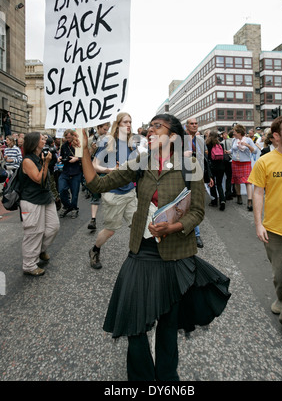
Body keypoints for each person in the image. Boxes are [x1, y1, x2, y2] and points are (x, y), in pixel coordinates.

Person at [75, 113, 231, 381]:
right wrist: (83, 149)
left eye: (157, 127)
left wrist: (173, 227)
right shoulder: (140, 161)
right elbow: (97, 183)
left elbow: (196, 211)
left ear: (172, 136)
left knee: (168, 326)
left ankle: (168, 379)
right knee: (135, 323)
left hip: (175, 253)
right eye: (149, 127)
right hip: (142, 251)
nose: (149, 131)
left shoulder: (190, 164)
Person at [248, 115, 282, 355]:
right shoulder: (265, 161)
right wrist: (258, 224)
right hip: (275, 230)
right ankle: (281, 300)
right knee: (280, 276)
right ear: (277, 136)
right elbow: (258, 193)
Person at [88, 112, 137, 269]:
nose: (128, 125)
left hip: (130, 192)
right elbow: (94, 165)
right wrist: (109, 170)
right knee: (110, 230)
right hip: (113, 193)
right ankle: (95, 250)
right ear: (118, 124)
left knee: (137, 225)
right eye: (125, 122)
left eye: (130, 122)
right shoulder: (108, 142)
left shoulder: (132, 143)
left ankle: (139, 255)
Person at [19, 132, 60, 276]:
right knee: (34, 232)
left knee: (53, 227)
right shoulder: (28, 161)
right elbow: (39, 179)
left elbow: (48, 180)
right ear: (34, 143)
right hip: (31, 200)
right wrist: (46, 163)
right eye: (42, 139)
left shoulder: (39, 157)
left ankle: (40, 250)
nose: (45, 140)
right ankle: (29, 265)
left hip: (45, 198)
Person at [185, 117, 206, 247]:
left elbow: (204, 157)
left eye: (196, 123)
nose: (194, 125)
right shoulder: (180, 140)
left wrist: (208, 176)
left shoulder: (200, 139)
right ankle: (196, 234)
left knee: (196, 204)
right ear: (186, 126)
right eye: (191, 124)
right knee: (188, 203)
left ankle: (194, 231)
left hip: (198, 175)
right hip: (184, 174)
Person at [225, 124, 255, 211]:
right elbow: (233, 149)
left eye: (235, 132)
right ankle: (239, 196)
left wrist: (247, 145)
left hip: (245, 163)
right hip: (235, 163)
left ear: (239, 133)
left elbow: (255, 150)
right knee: (236, 180)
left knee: (248, 182)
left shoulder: (248, 140)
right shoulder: (234, 140)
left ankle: (249, 201)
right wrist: (228, 151)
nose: (233, 134)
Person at [87, 122, 111, 230]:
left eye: (108, 129)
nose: (106, 131)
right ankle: (93, 219)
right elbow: (86, 156)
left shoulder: (111, 139)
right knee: (95, 194)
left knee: (108, 195)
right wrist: (93, 149)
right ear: (98, 127)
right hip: (95, 168)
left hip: (108, 169)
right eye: (105, 129)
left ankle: (109, 219)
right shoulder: (90, 140)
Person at [58, 129, 82, 218]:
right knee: (62, 189)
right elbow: (62, 156)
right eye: (66, 137)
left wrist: (77, 158)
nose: (68, 139)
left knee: (74, 192)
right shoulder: (63, 146)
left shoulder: (78, 145)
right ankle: (68, 206)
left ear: (73, 136)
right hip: (66, 170)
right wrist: (60, 158)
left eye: (69, 137)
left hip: (76, 171)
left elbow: (84, 157)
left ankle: (74, 208)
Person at [205, 131, 226, 210]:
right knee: (219, 184)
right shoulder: (221, 145)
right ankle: (222, 200)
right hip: (221, 167)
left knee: (212, 184)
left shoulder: (208, 145)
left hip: (212, 167)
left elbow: (207, 156)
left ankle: (214, 201)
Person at [221, 130, 234, 200]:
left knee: (225, 178)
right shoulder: (232, 141)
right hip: (230, 160)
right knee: (229, 177)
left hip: (223, 160)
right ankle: (229, 193)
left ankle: (225, 192)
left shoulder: (222, 142)